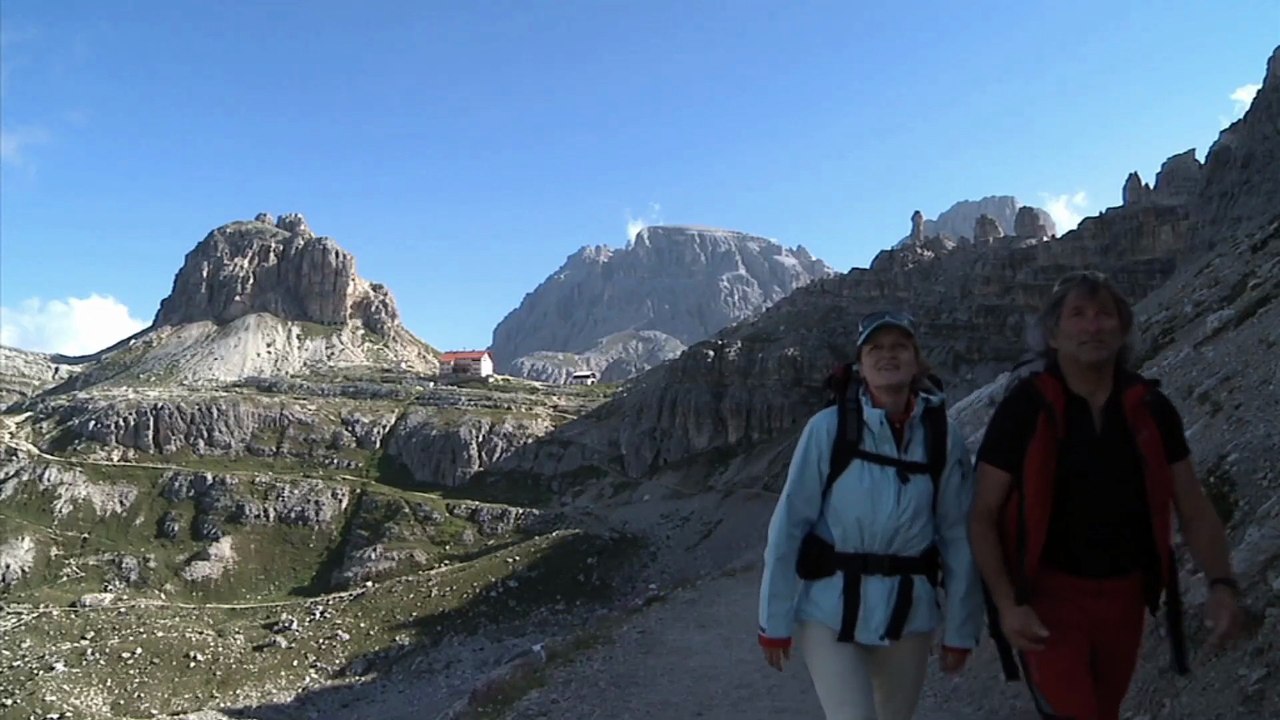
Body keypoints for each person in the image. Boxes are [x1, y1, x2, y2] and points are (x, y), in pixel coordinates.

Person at [968, 270, 1242, 720]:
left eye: (1104, 315)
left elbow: (1193, 507)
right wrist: (1007, 604)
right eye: (1078, 315)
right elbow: (982, 513)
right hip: (1049, 600)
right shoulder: (1025, 408)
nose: (1093, 326)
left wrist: (1221, 583)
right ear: (1053, 335)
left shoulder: (1152, 409)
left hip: (1125, 600)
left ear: (1122, 328)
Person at [757, 310, 984, 720]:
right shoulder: (827, 429)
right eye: (875, 348)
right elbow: (789, 524)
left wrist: (961, 629)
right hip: (829, 611)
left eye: (899, 347)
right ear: (860, 366)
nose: (887, 355)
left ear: (916, 361)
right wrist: (773, 621)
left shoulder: (941, 437)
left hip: (908, 614)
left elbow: (957, 536)